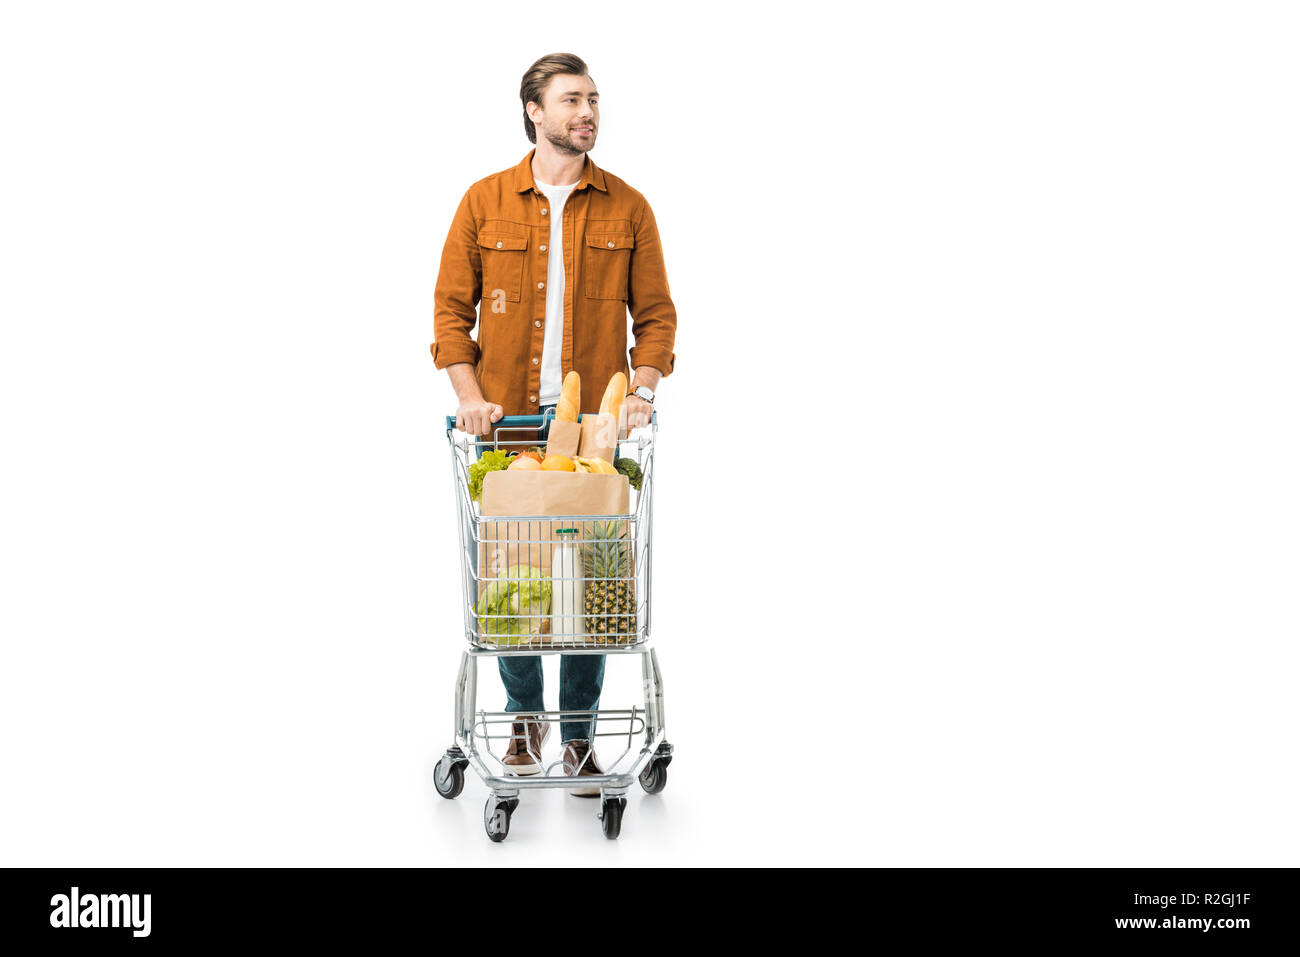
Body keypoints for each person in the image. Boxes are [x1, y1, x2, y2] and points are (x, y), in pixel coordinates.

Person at [431, 53, 677, 796]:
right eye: (572, 99)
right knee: (515, 578)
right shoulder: (483, 202)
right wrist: (471, 394)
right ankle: (522, 719)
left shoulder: (627, 207)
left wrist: (641, 389)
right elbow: (450, 314)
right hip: (506, 426)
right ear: (534, 110)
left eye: (594, 99)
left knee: (590, 582)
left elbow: (657, 317)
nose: (588, 112)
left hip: (595, 428)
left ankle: (577, 739)